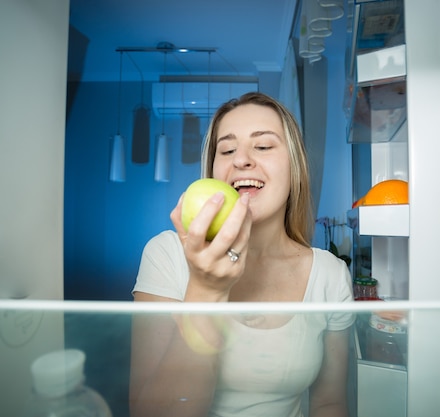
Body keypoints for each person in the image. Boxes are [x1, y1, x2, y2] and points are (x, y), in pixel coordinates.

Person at [129, 92, 355, 417]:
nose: (241, 160)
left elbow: (330, 404)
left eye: (263, 146)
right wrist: (206, 291)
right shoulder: (166, 254)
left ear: (295, 166)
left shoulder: (331, 275)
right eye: (227, 149)